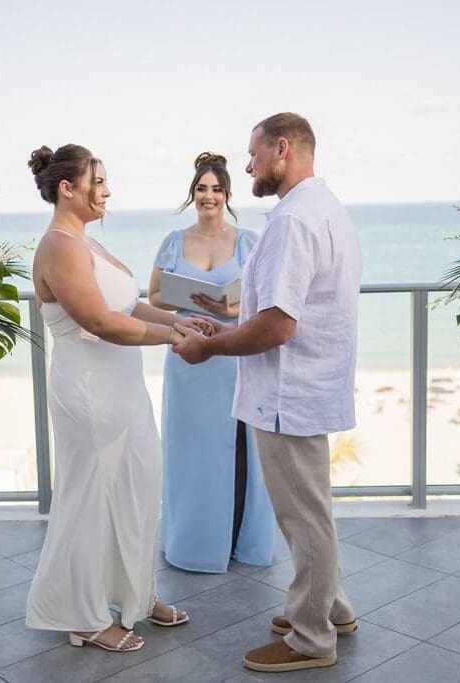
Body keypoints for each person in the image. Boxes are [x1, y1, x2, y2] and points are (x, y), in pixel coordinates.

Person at [172, 113, 362, 673]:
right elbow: (280, 309)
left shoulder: (293, 220)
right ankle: (332, 609)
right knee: (313, 512)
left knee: (304, 519)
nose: (249, 165)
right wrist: (228, 324)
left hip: (288, 394)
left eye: (253, 154)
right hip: (309, 386)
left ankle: (311, 638)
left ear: (283, 149)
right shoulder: (325, 207)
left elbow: (279, 324)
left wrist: (211, 347)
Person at [23, 143, 189, 653]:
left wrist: (181, 322)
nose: (107, 191)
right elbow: (99, 322)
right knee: (92, 499)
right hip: (89, 392)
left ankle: (138, 595)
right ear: (67, 188)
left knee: (137, 485)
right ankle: (84, 617)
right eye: (98, 182)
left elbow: (128, 306)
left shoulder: (86, 242)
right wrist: (173, 339)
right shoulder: (59, 247)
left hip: (123, 389)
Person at [147, 152, 275, 573]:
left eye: (216, 189)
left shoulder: (248, 241)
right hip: (186, 356)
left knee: (235, 449)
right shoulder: (173, 241)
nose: (209, 196)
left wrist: (226, 307)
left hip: (231, 354)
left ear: (227, 195)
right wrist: (185, 301)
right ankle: (193, 544)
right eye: (202, 189)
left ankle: (240, 541)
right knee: (191, 452)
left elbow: (263, 299)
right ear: (193, 194)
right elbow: (154, 296)